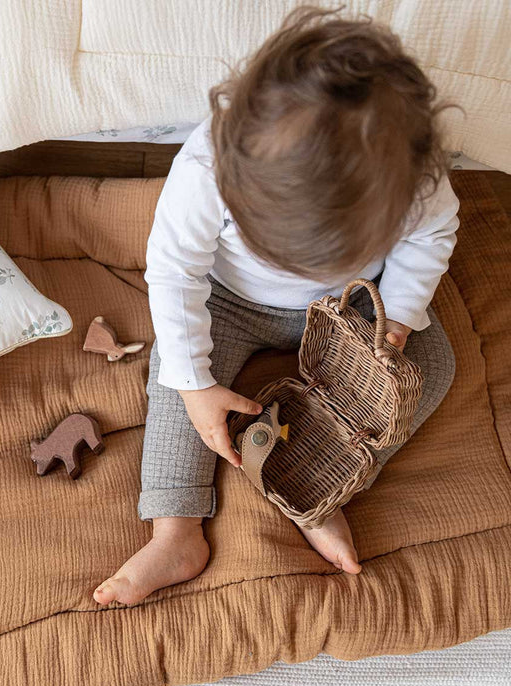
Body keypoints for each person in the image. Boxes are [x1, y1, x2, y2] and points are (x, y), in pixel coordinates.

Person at [94, 7, 458, 606]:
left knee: (432, 367)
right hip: (230, 300)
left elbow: (430, 238)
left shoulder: (417, 176)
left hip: (352, 311)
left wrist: (393, 323)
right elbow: (176, 271)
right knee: (171, 371)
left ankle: (321, 491)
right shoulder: (209, 165)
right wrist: (194, 386)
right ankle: (176, 529)